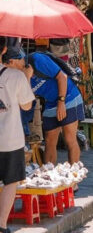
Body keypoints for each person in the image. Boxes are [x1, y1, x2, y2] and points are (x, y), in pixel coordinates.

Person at [6, 49, 84, 165]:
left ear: (11, 62)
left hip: (68, 96)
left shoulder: (37, 59)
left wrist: (61, 102)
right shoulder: (18, 76)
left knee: (69, 138)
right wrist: (27, 77)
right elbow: (27, 101)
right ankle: (50, 175)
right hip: (50, 102)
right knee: (49, 140)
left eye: (5, 66)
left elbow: (62, 77)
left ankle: (74, 176)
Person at [0, 43, 37, 233]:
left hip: (10, 138)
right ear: (4, 50)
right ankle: (1, 225)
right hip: (10, 138)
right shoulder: (15, 76)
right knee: (10, 181)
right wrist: (27, 78)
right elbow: (26, 106)